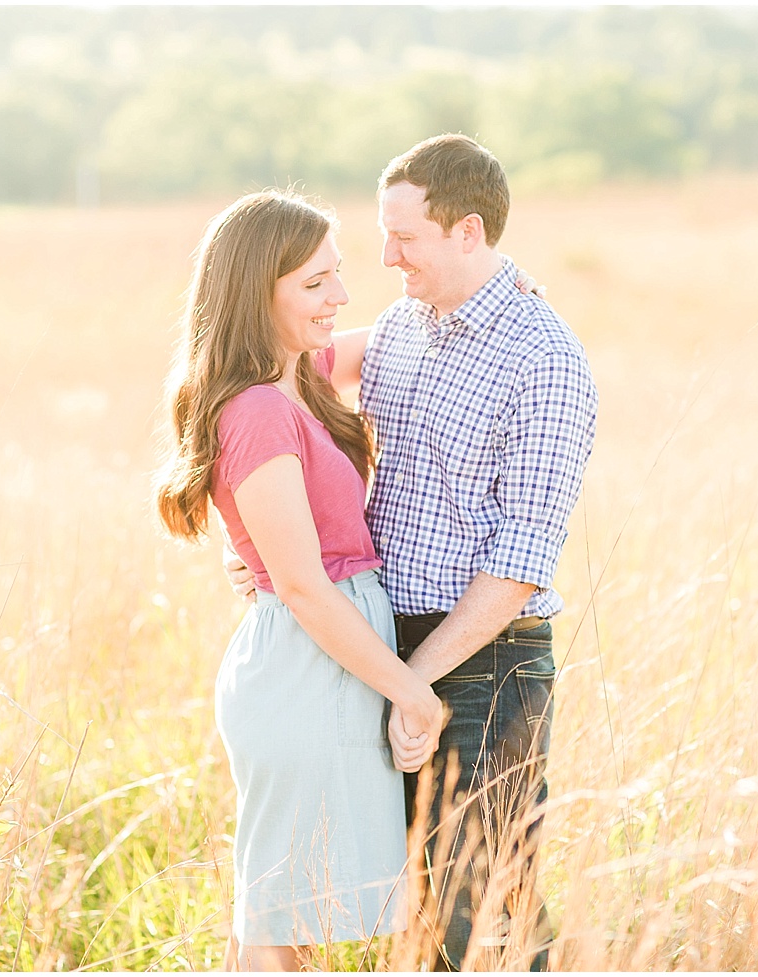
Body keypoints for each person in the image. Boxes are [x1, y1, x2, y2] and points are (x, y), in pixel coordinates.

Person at [229, 134, 598, 971]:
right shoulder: (404, 322)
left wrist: (415, 681)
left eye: (407, 238)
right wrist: (253, 533)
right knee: (410, 914)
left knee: (484, 912)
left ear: (468, 233)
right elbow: (271, 387)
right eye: (384, 233)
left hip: (484, 668)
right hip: (384, 649)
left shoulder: (545, 361)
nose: (386, 257)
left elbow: (519, 566)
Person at [154, 190, 446, 972]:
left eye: (338, 275)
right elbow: (306, 587)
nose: (339, 296)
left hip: (330, 660)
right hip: (305, 667)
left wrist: (496, 289)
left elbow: (394, 337)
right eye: (316, 283)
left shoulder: (298, 377)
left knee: (298, 917)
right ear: (261, 291)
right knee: (279, 924)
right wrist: (411, 689)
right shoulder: (255, 411)